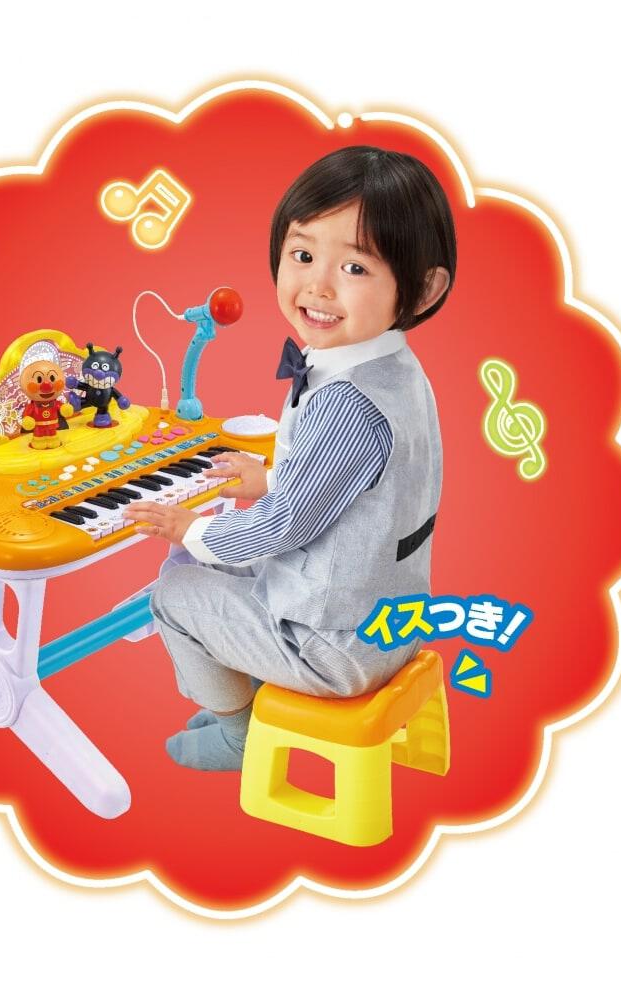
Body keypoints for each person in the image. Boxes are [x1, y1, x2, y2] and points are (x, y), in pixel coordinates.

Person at [124, 146, 457, 771]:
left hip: (335, 649)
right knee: (231, 568)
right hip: (395, 622)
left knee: (174, 590)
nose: (318, 287)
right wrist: (274, 477)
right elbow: (358, 483)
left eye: (354, 267)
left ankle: (239, 733)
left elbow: (282, 527)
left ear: (422, 288)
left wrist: (188, 529)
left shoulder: (346, 402)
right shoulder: (396, 370)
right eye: (303, 256)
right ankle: (241, 690)